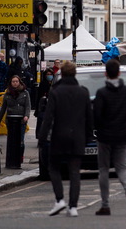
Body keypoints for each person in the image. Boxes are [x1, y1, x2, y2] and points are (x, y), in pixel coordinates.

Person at [39, 61, 94, 218]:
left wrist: (42, 138)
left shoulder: (56, 92)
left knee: (54, 168)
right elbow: (89, 118)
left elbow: (48, 118)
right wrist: (88, 137)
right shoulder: (83, 92)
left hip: (59, 136)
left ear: (61, 74)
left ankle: (59, 199)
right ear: (75, 73)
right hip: (78, 137)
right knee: (74, 171)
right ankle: (73, 207)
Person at [93, 59, 126, 216]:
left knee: (104, 169)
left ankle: (105, 205)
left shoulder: (101, 93)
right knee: (121, 168)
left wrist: (98, 132)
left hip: (105, 136)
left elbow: (96, 116)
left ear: (106, 74)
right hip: (122, 135)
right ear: (119, 73)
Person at [0, 75, 32, 161]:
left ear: (19, 82)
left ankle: (20, 156)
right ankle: (12, 157)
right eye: (13, 81)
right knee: (12, 140)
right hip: (10, 120)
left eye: (17, 81)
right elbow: (3, 108)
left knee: (20, 140)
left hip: (21, 121)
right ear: (11, 83)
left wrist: (26, 116)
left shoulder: (25, 93)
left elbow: (28, 106)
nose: (15, 83)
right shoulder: (8, 93)